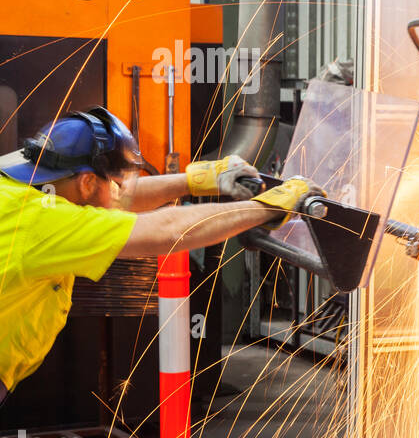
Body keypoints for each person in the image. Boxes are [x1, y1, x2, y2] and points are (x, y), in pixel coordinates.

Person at [0, 106, 319, 403]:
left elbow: (114, 200)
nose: (119, 192)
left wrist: (198, 181)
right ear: (86, 182)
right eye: (115, 182)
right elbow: (168, 229)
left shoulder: (24, 186)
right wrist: (265, 209)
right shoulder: (43, 222)